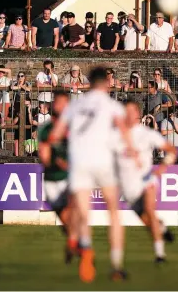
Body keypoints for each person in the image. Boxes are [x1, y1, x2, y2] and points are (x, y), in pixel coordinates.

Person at [49, 67, 138, 282]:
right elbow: (123, 130)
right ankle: (116, 265)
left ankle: (87, 250)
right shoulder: (111, 105)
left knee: (83, 211)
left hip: (80, 162)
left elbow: (56, 134)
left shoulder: (76, 105)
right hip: (103, 161)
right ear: (106, 83)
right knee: (114, 212)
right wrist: (132, 153)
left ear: (88, 82)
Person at [116, 101, 177, 263]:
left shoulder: (146, 134)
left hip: (146, 181)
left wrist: (161, 168)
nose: (129, 115)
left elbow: (172, 150)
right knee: (147, 221)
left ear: (137, 113)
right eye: (125, 111)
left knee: (150, 211)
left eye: (131, 111)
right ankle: (161, 227)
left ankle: (160, 255)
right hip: (129, 187)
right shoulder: (117, 134)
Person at [38, 91, 79, 263]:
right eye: (58, 102)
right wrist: (58, 162)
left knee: (73, 211)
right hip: (52, 179)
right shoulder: (46, 129)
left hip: (70, 178)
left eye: (64, 103)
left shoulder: (75, 127)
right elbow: (44, 157)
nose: (61, 106)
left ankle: (77, 247)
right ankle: (73, 240)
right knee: (65, 219)